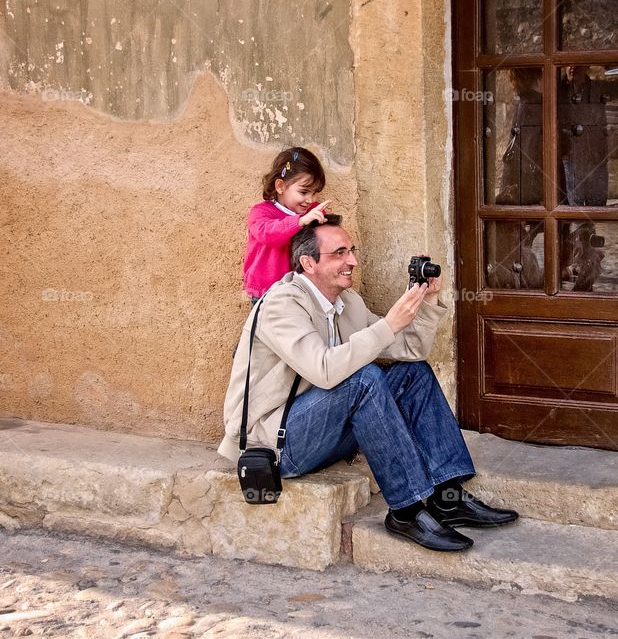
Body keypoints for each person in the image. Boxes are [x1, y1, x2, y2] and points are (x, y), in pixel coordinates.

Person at [218, 215, 519, 552]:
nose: (353, 261)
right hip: (277, 445)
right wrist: (389, 324)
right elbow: (324, 371)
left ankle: (447, 497)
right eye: (340, 253)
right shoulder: (281, 305)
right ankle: (406, 510)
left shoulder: (350, 304)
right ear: (308, 263)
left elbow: (409, 350)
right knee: (364, 378)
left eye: (352, 251)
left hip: (324, 429)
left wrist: (427, 302)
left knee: (413, 375)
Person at [243, 147, 332, 303]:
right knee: (267, 327)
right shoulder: (261, 213)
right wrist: (299, 221)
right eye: (304, 192)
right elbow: (268, 235)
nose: (310, 200)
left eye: (315, 193)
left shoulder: (312, 210)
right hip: (267, 292)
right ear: (280, 186)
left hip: (301, 289)